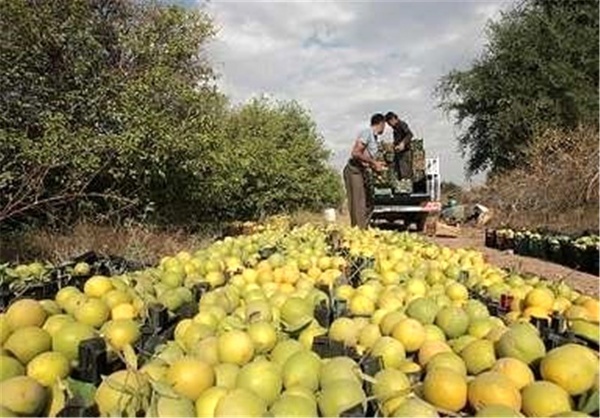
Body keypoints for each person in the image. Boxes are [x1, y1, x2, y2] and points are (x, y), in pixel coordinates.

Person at [343, 113, 386, 229]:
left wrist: (376, 167)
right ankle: (358, 233)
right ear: (381, 123)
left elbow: (367, 157)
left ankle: (362, 229)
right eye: (384, 125)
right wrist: (373, 163)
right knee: (359, 204)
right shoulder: (367, 133)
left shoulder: (375, 138)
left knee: (369, 204)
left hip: (362, 171)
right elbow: (356, 153)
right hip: (354, 170)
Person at [385, 111, 414, 180]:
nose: (389, 125)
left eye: (389, 123)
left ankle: (406, 189)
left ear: (393, 119)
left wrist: (403, 143)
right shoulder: (395, 128)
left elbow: (410, 134)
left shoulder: (402, 124)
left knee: (405, 174)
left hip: (405, 153)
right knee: (398, 173)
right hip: (399, 153)